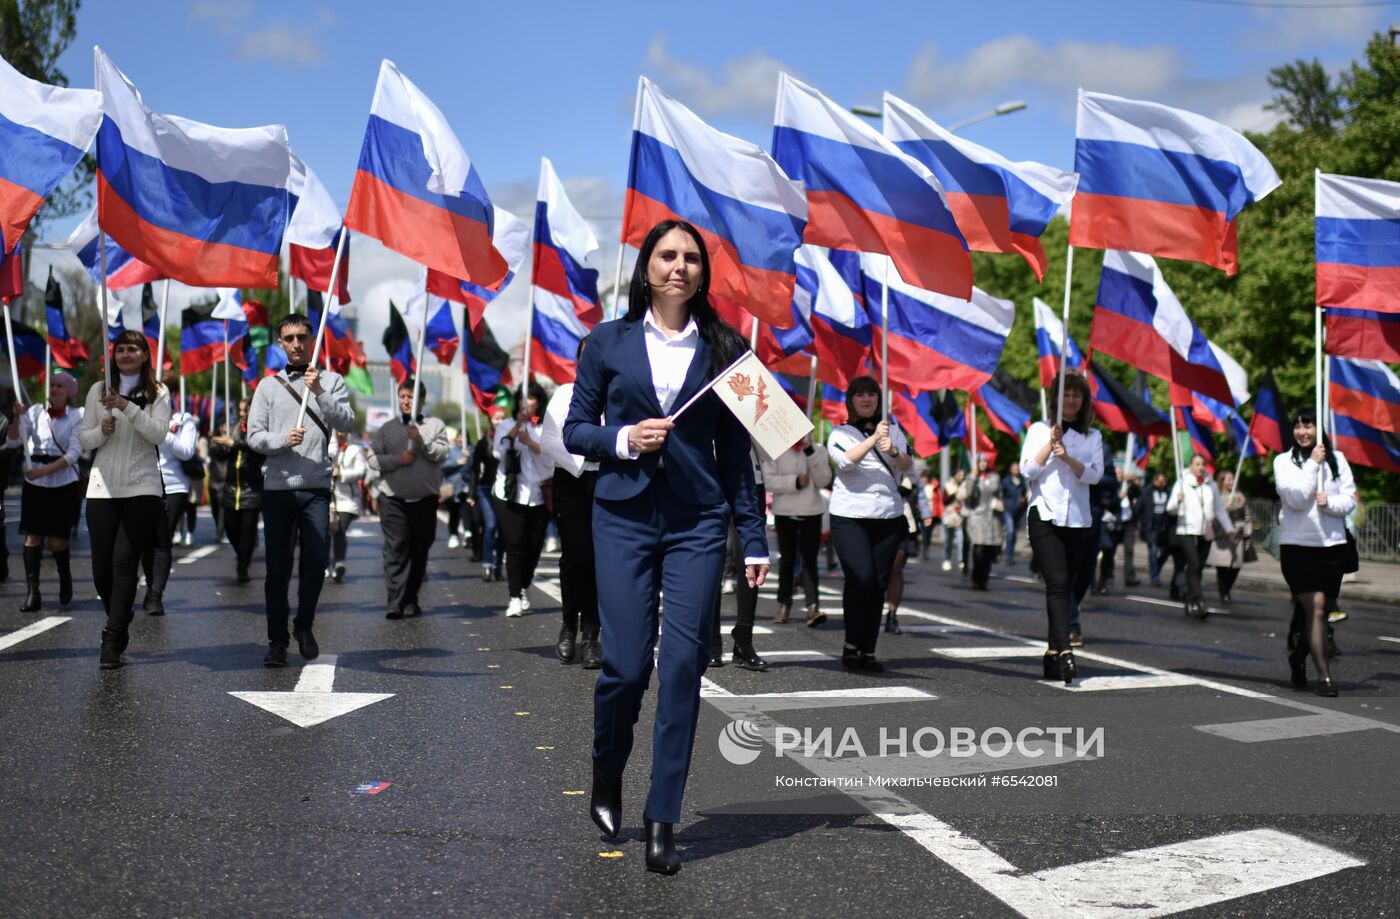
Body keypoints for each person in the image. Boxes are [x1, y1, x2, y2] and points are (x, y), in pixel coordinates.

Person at [563, 219, 767, 875]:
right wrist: (625, 438)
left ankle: (662, 815)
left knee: (682, 666)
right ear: (646, 266)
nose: (679, 266)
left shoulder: (728, 349)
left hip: (697, 522)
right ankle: (606, 768)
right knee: (625, 666)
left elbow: (738, 457)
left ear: (703, 272)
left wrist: (754, 538)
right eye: (667, 255)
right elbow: (575, 432)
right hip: (621, 516)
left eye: (691, 258)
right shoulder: (606, 342)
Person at [246, 314, 355, 667]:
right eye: (289, 338)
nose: (296, 344)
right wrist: (281, 440)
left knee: (316, 561)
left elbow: (345, 422)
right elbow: (254, 436)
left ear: (312, 340)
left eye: (302, 337)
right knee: (277, 568)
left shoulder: (332, 381)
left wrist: (320, 391)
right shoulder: (267, 386)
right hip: (278, 488)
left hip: (316, 488)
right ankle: (277, 641)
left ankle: (304, 624)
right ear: (281, 343)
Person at [80, 332, 172, 669]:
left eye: (132, 349)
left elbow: (158, 434)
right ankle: (121, 611)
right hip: (102, 487)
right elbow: (85, 439)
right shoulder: (97, 390)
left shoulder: (158, 392)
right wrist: (100, 432)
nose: (125, 354)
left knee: (124, 563)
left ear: (146, 355)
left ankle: (112, 636)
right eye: (119, 349)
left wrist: (126, 407)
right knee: (100, 569)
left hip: (142, 488)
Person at [1020, 371, 1103, 685]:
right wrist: (1049, 445)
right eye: (1066, 394)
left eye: (1077, 395)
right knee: (1057, 582)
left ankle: (1052, 654)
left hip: (1079, 519)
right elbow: (1028, 470)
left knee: (1069, 586)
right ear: (1055, 398)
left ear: (1083, 401)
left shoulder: (1092, 437)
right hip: (1045, 514)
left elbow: (1095, 475)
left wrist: (1067, 458)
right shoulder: (1040, 429)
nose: (1071, 400)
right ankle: (1066, 651)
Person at [827, 375, 911, 670]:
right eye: (860, 394)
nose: (866, 399)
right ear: (851, 401)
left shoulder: (895, 431)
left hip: (887, 515)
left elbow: (906, 465)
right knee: (860, 578)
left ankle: (867, 650)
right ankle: (851, 643)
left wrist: (893, 449)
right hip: (850, 515)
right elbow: (846, 463)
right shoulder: (840, 432)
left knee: (877, 585)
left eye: (872, 395)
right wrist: (874, 439)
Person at [1274, 410, 1354, 696]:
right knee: (1317, 609)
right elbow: (1294, 499)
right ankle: (1325, 677)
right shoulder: (1283, 461)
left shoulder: (1338, 459)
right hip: (1297, 547)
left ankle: (1298, 657)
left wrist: (1329, 502)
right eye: (1297, 426)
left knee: (1317, 611)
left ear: (1318, 429)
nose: (1302, 431)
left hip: (1332, 547)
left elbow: (1349, 499)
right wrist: (1312, 465)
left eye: (1307, 425)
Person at [539, 354, 602, 668]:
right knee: (575, 557)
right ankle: (569, 623)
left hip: (607, 480)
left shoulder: (616, 391)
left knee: (600, 561)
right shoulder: (565, 394)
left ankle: (592, 635)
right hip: (572, 479)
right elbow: (548, 438)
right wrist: (579, 462)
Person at [371, 380, 450, 619]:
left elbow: (442, 454)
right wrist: (397, 460)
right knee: (396, 549)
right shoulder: (386, 429)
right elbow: (373, 460)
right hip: (393, 499)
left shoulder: (435, 426)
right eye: (403, 397)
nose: (406, 401)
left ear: (422, 401)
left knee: (419, 551)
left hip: (425, 499)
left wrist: (420, 441)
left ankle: (410, 599)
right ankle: (395, 601)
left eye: (411, 398)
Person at [6, 372, 83, 611]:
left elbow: (73, 454)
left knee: (58, 542)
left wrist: (44, 472)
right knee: (32, 537)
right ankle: (33, 593)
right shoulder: (35, 412)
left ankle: (65, 576)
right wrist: (17, 418)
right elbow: (13, 441)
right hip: (35, 484)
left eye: (61, 386)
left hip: (63, 483)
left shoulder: (77, 417)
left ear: (70, 392)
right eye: (53, 385)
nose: (55, 389)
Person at [139, 373, 198, 616]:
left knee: (163, 537)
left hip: (174, 486)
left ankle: (156, 595)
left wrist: (164, 432)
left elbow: (186, 451)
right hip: (145, 483)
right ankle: (151, 585)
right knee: (145, 541)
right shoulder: (141, 415)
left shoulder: (184, 420)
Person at [492, 382, 551, 617]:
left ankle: (524, 585)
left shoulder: (547, 428)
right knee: (515, 543)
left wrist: (531, 443)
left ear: (539, 402)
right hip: (510, 493)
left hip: (538, 494)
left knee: (534, 545)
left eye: (531, 398)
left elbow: (552, 462)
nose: (526, 403)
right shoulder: (506, 425)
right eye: (522, 398)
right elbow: (498, 452)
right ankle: (514, 595)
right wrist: (516, 428)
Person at [764, 434, 831, 626]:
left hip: (811, 511)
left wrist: (810, 451)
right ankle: (784, 603)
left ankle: (812, 605)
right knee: (787, 559)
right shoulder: (776, 448)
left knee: (810, 560)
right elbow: (768, 481)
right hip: (785, 512)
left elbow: (824, 480)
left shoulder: (818, 449)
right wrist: (794, 482)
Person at [1165, 454, 1233, 620]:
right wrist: (1177, 501)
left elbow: (1219, 509)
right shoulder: (1182, 482)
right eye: (1197, 464)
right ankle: (1199, 600)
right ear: (1190, 466)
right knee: (1194, 563)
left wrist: (1229, 528)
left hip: (1206, 530)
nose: (1200, 468)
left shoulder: (1210, 485)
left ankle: (1190, 601)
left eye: (1203, 464)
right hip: (1186, 530)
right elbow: (1170, 509)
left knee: (1198, 567)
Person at [209, 399, 264, 583]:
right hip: (232, 489)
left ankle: (243, 564)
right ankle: (241, 555)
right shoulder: (233, 428)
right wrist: (216, 445)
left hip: (252, 491)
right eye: (240, 410)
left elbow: (259, 451)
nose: (242, 413)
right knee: (231, 529)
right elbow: (223, 456)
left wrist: (234, 444)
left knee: (248, 531)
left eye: (245, 410)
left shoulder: (260, 429)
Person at [884, 468, 931, 633]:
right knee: (877, 572)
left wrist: (926, 515)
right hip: (877, 519)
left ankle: (892, 614)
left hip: (904, 522)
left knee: (896, 569)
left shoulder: (909, 468)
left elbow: (921, 494)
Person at [466, 406, 506, 581]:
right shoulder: (483, 443)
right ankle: (487, 564)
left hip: (505, 490)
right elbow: (475, 470)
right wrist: (471, 493)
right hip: (485, 490)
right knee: (490, 525)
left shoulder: (509, 439)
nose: (500, 422)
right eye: (497, 418)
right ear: (490, 420)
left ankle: (498, 565)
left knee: (502, 528)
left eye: (503, 418)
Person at [1206, 470, 1251, 606]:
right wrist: (1224, 508)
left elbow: (1247, 514)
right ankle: (1223, 593)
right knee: (1222, 567)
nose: (1231, 482)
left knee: (1236, 566)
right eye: (1228, 479)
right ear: (1222, 482)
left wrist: (1248, 527)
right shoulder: (1216, 496)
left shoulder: (1239, 496)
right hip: (1221, 535)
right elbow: (1211, 514)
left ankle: (1227, 589)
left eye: (1232, 479)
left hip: (1237, 534)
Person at [959, 454, 1004, 590]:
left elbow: (994, 489)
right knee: (978, 549)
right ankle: (976, 577)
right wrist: (973, 477)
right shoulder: (971, 478)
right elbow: (968, 493)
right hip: (977, 517)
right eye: (980, 461)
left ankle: (984, 578)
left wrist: (984, 480)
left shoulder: (994, 477)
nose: (983, 464)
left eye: (985, 461)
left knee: (988, 551)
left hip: (991, 518)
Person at [328, 430, 365, 583]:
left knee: (339, 529)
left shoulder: (355, 450)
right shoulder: (328, 448)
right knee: (323, 531)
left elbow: (361, 471)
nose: (340, 433)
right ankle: (323, 564)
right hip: (328, 498)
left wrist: (342, 473)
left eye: (343, 430)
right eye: (337, 430)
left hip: (346, 500)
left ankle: (339, 563)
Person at [1137, 471, 1172, 587]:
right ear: (1154, 481)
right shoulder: (1147, 492)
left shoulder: (1169, 492)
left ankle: (1156, 567)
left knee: (1166, 551)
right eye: (1160, 482)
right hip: (1152, 528)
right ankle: (1154, 577)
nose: (1162, 484)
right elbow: (1139, 508)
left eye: (1164, 482)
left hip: (1164, 528)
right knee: (1152, 551)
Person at [1119, 470, 1143, 587]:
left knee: (1129, 550)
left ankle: (1129, 577)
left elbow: (1140, 493)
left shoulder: (1131, 487)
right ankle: (1105, 576)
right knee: (1108, 550)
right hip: (1115, 523)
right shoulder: (1113, 485)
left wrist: (1131, 483)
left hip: (1129, 523)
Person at [1001, 461, 1027, 564]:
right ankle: (1007, 555)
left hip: (1018, 511)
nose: (1016, 470)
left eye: (1018, 468)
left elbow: (1024, 493)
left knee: (1014, 533)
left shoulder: (1022, 481)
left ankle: (1010, 554)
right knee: (1010, 531)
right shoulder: (1006, 481)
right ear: (1011, 470)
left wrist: (1023, 499)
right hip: (1008, 510)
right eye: (1014, 468)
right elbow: (1002, 494)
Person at [940, 469, 965, 572]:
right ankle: (947, 559)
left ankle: (961, 561)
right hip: (949, 515)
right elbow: (944, 500)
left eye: (963, 475)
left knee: (961, 540)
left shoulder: (964, 486)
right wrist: (954, 493)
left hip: (960, 516)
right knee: (948, 540)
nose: (962, 477)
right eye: (960, 475)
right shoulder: (948, 485)